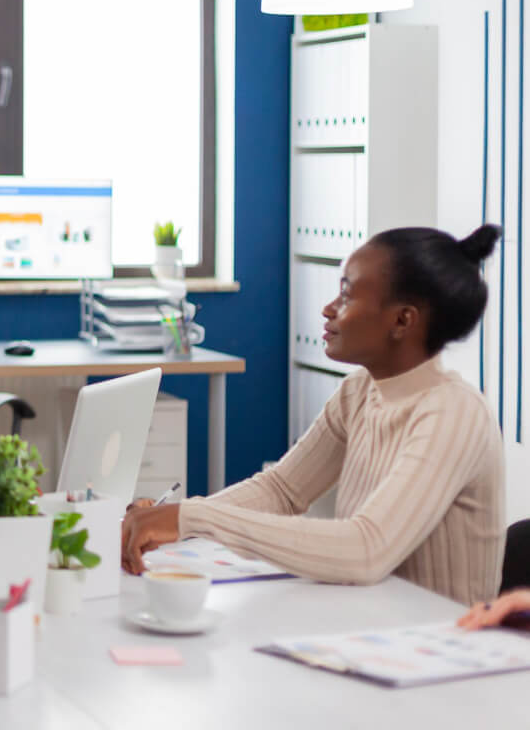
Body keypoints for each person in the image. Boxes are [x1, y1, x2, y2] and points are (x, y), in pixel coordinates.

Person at [122, 225, 506, 606]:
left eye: (346, 294)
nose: (329, 309)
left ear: (402, 321)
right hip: (370, 626)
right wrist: (173, 521)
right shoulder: (359, 392)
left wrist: (193, 517)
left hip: (442, 647)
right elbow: (282, 491)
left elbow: (366, 550)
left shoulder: (453, 413)